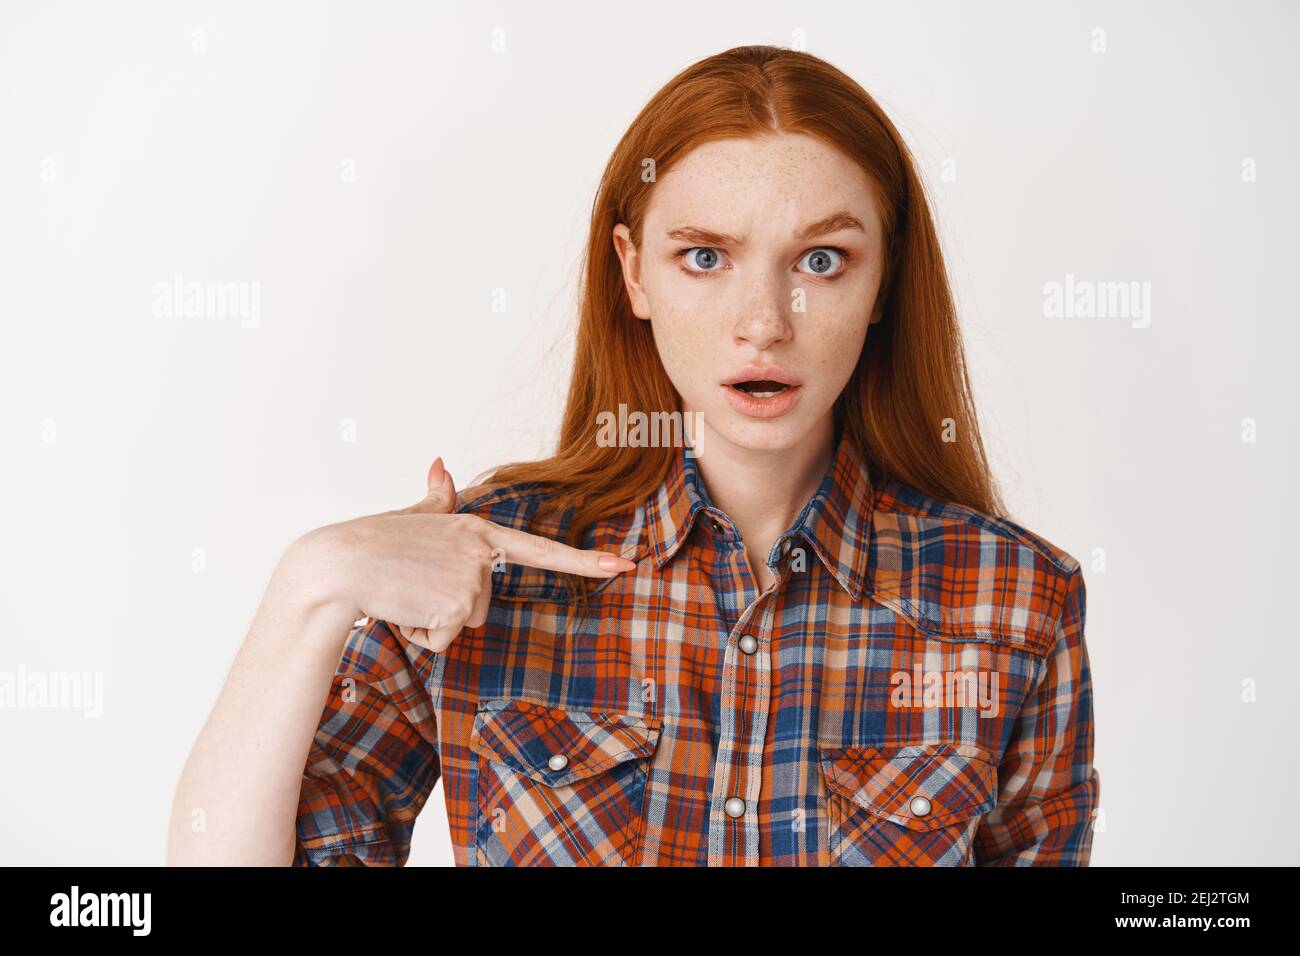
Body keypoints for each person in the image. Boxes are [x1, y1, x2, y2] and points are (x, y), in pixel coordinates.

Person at [166, 44, 1099, 867]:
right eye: (705, 257)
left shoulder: (1014, 600)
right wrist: (313, 583)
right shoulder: (484, 571)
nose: (764, 324)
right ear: (631, 271)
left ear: (884, 278)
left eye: (821, 260)